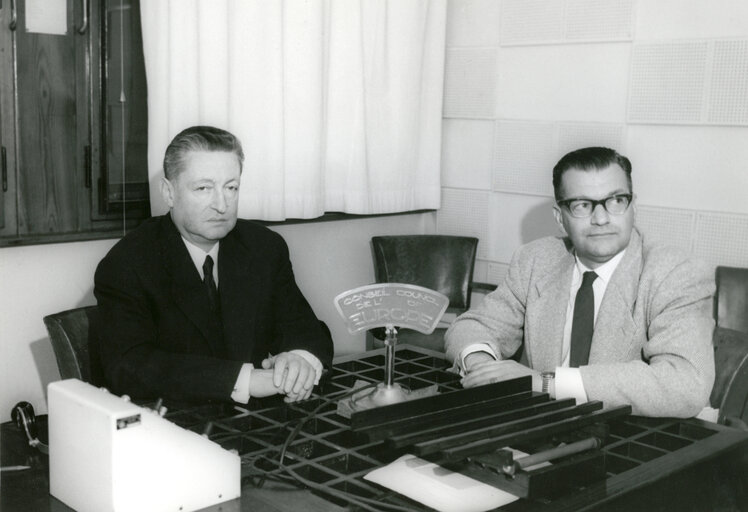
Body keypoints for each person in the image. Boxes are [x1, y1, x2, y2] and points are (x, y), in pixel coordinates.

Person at [445, 147, 715, 418]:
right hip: (543, 429)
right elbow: (473, 326)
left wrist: (546, 383)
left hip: (630, 438)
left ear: (633, 206)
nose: (601, 219)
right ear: (560, 218)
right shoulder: (535, 260)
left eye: (616, 200)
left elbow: (686, 383)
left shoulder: (674, 272)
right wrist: (484, 369)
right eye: (583, 205)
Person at [94, 125, 333, 405]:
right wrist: (245, 380)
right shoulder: (127, 264)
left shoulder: (264, 247)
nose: (221, 204)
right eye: (203, 188)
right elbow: (129, 366)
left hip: (259, 423)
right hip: (176, 427)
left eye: (231, 187)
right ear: (168, 193)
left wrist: (299, 359)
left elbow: (305, 328)